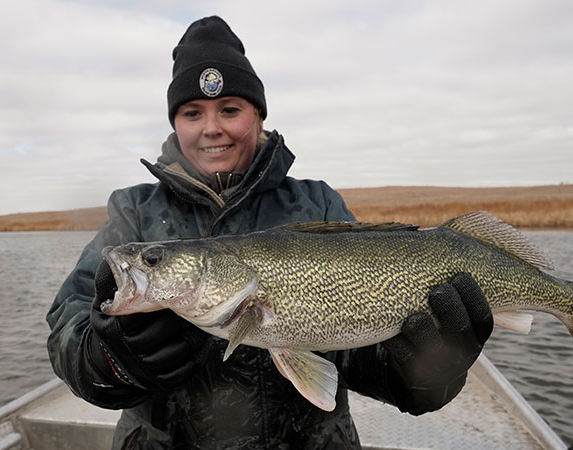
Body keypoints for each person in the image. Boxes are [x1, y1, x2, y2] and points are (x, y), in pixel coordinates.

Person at [46, 16, 493, 450]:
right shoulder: (133, 210)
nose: (211, 128)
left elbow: (363, 359)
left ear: (257, 116)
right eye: (191, 112)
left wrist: (422, 372)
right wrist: (113, 359)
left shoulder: (317, 203)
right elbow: (68, 326)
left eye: (230, 109)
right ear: (175, 123)